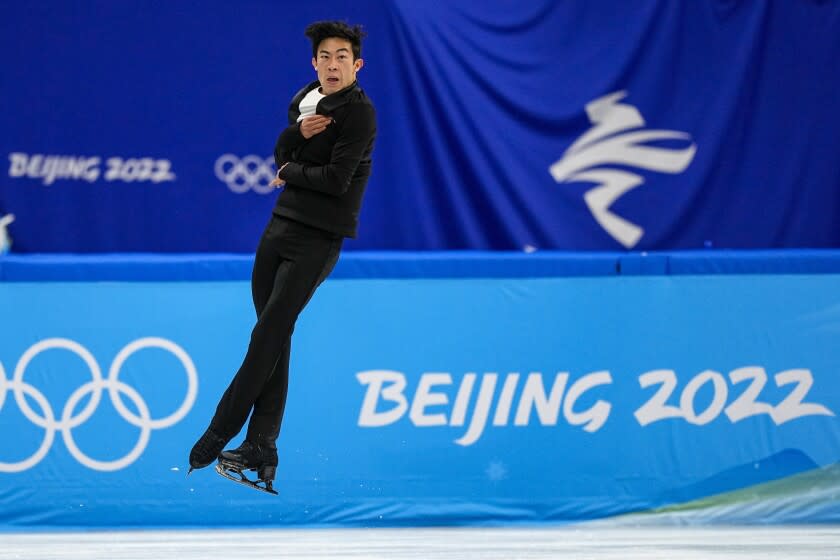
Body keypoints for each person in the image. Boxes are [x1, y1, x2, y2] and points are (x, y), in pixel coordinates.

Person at [189, 20, 376, 493]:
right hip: (279, 229)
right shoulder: (304, 99)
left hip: (319, 238)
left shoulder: (360, 115)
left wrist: (292, 168)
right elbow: (281, 150)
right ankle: (262, 447)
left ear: (357, 65)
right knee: (274, 337)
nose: (333, 65)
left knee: (269, 334)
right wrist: (294, 137)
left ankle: (219, 431)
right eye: (325, 57)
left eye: (342, 58)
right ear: (314, 64)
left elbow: (336, 180)